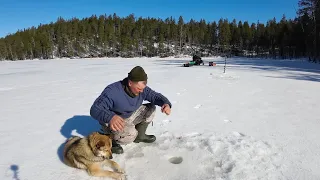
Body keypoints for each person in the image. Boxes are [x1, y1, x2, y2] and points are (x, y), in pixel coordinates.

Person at [90, 66, 172, 154]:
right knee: (130, 135)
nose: (141, 91)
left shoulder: (142, 89)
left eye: (143, 89)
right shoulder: (112, 92)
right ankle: (110, 141)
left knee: (151, 108)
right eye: (139, 89)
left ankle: (140, 136)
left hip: (129, 115)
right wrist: (111, 117)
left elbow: (155, 96)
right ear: (130, 83)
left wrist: (165, 103)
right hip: (114, 121)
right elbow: (95, 109)